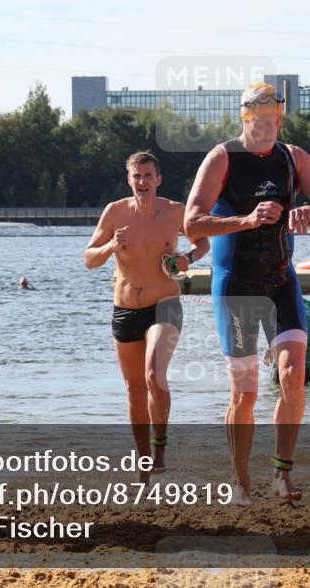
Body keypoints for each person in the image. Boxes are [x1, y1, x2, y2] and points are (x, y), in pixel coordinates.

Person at [184, 81, 310, 504]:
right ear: (246, 118)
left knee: (293, 377)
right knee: (246, 393)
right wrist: (247, 220)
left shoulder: (294, 158)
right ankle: (239, 481)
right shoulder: (222, 159)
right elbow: (192, 223)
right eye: (260, 120)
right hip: (236, 287)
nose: (268, 128)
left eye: (274, 120)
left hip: (281, 282)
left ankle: (281, 474)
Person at [85, 151, 209, 479]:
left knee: (154, 375)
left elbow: (203, 242)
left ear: (158, 179)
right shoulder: (115, 213)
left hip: (164, 304)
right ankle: (143, 463)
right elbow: (89, 259)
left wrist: (187, 258)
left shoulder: (175, 212)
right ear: (129, 180)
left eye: (148, 176)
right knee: (135, 389)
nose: (142, 182)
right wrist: (111, 246)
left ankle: (160, 448)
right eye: (136, 176)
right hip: (125, 309)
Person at [266, 298, 310, 385]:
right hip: (305, 367)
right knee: (306, 395)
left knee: (277, 394)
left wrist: (268, 350)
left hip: (284, 365)